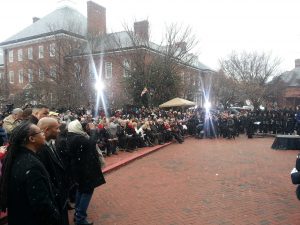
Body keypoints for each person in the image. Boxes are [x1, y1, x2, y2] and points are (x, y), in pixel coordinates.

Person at [0, 121, 61, 225]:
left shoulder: (15, 158)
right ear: (31, 139)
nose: (43, 134)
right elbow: (41, 204)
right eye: (40, 132)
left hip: (20, 216)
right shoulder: (32, 165)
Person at [67, 120, 106, 225]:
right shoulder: (77, 138)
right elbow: (91, 144)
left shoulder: (71, 137)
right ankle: (80, 218)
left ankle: (77, 214)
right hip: (85, 170)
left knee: (81, 190)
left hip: (80, 169)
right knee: (87, 192)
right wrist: (93, 131)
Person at [37, 118, 69, 225]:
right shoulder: (40, 150)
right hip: (55, 199)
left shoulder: (50, 144)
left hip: (60, 197)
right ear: (46, 130)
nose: (59, 131)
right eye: (56, 128)